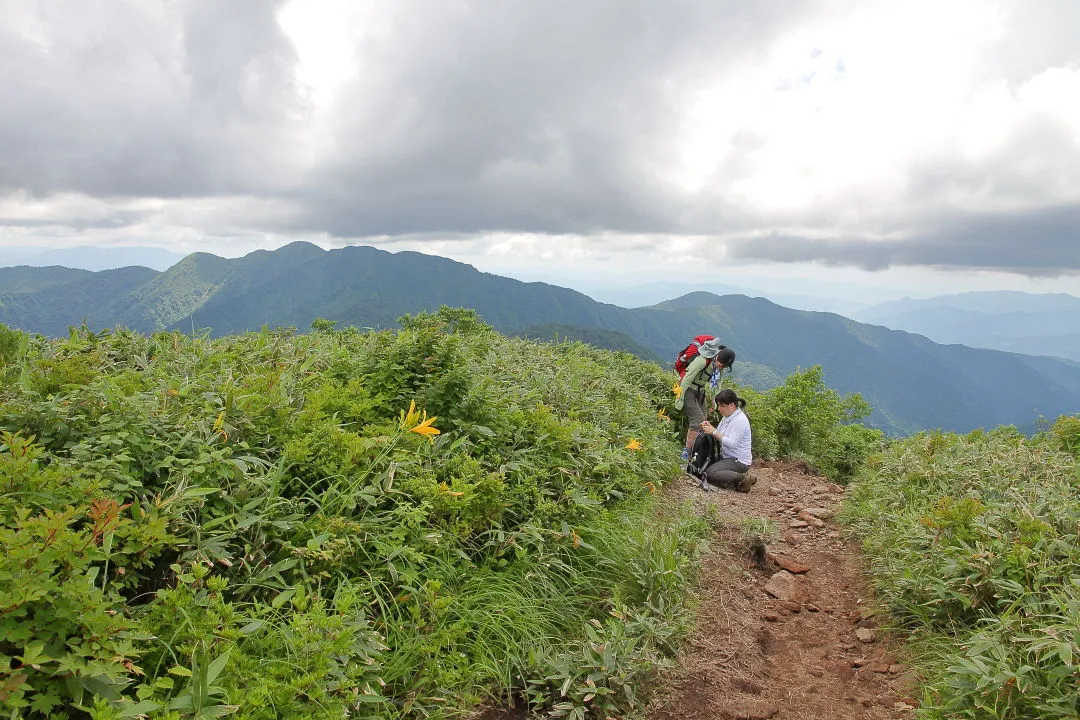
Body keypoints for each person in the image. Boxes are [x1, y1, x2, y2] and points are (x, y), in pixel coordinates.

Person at [674, 339, 736, 461]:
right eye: (720, 363)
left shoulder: (719, 369)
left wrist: (715, 401)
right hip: (687, 389)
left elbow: (716, 385)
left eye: (724, 366)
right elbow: (687, 378)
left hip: (700, 391)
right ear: (717, 357)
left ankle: (696, 451)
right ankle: (686, 453)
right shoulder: (703, 361)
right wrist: (679, 398)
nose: (721, 367)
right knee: (698, 420)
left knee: (704, 423)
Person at [698, 389, 755, 493]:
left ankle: (743, 478)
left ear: (732, 405)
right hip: (728, 457)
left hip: (739, 461)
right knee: (703, 466)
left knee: (710, 473)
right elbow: (718, 433)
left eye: (722, 405)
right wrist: (709, 428)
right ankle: (738, 478)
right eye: (718, 405)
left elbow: (732, 443)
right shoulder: (727, 417)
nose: (719, 409)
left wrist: (713, 431)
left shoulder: (740, 420)